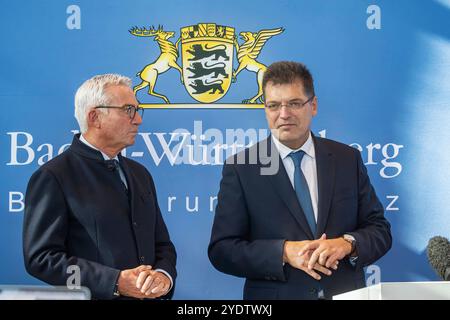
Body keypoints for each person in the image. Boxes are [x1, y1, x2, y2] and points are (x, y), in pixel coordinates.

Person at [208, 61, 392, 299]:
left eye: (294, 103)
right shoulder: (242, 168)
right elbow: (222, 250)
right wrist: (283, 252)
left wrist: (347, 244)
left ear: (313, 105)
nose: (284, 114)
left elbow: (380, 230)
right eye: (273, 105)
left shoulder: (347, 159)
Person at [23, 74, 176, 299]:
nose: (138, 120)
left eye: (137, 110)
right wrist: (115, 282)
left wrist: (163, 276)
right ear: (95, 117)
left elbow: (162, 244)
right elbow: (41, 259)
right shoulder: (53, 176)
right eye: (128, 110)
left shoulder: (140, 173)